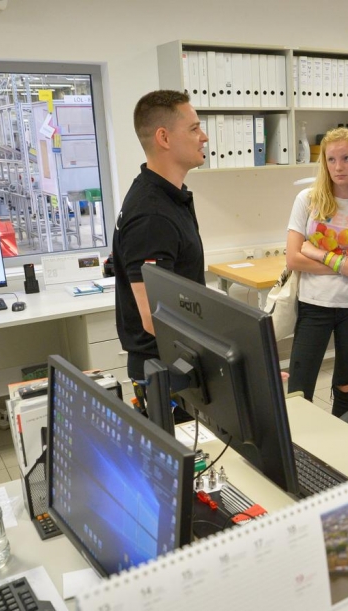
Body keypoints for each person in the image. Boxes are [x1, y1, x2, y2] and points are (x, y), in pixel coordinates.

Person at [114, 90, 208, 396]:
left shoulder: (167, 198)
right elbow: (155, 319)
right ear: (164, 138)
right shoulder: (152, 214)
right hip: (167, 370)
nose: (204, 137)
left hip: (179, 361)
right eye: (194, 128)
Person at [284, 128, 348, 418]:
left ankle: (342, 436)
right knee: (299, 389)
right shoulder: (308, 200)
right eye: (331, 159)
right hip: (314, 305)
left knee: (346, 386)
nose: (338, 167)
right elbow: (293, 259)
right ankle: (299, 441)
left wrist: (317, 253)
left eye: (347, 158)